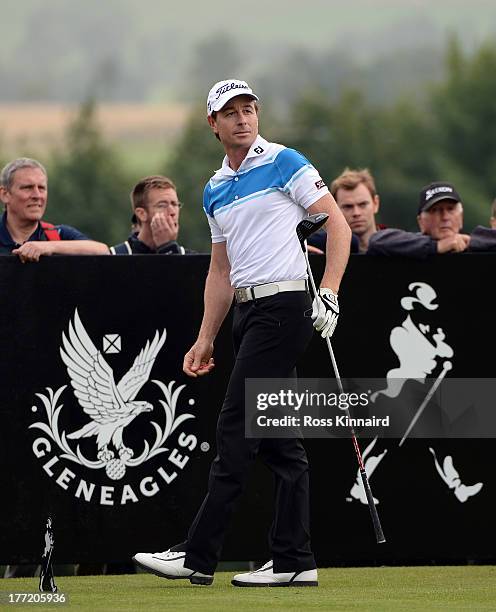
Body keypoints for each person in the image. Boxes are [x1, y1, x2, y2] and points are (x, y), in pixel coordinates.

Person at [133, 79, 351, 587]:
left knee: (236, 426)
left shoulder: (283, 161)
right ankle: (295, 559)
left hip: (286, 306)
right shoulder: (214, 189)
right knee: (280, 442)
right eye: (229, 112)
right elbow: (220, 271)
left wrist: (331, 293)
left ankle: (197, 553)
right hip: (247, 316)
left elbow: (335, 225)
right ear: (213, 124)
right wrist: (206, 337)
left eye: (249, 109)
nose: (242, 118)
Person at [0, 158, 109, 261]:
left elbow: (103, 251)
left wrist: (48, 247)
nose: (37, 195)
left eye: (41, 188)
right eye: (28, 188)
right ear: (5, 194)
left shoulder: (57, 235)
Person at [368, 181, 496, 257]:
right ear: (421, 222)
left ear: (461, 217)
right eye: (435, 210)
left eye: (450, 209)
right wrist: (436, 247)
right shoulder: (409, 246)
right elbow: (377, 241)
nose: (445, 217)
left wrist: (473, 242)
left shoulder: (474, 245)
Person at [110, 175, 192, 255]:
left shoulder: (190, 258)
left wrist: (168, 248)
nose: (172, 212)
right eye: (162, 205)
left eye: (175, 204)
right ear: (141, 214)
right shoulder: (114, 257)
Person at [331, 168, 384, 253]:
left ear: (375, 203)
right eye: (348, 206)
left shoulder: (398, 247)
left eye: (363, 204)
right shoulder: (324, 249)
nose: (356, 213)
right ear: (335, 209)